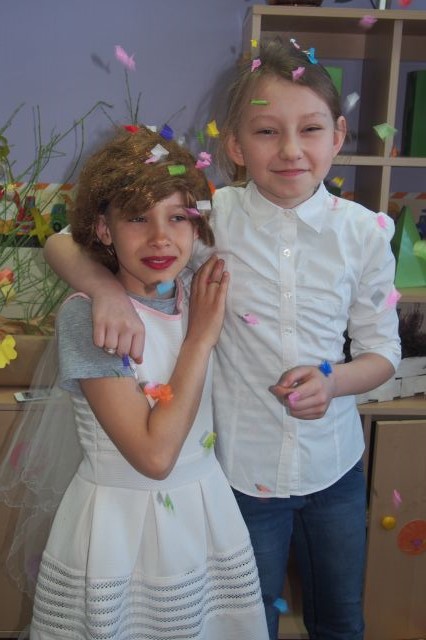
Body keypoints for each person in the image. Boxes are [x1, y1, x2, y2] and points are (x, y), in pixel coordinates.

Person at [43, 40, 401, 640]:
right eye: (266, 132)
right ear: (234, 146)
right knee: (247, 618)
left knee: (341, 618)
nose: (290, 150)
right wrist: (103, 290)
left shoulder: (366, 234)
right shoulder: (208, 217)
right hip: (240, 474)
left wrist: (336, 380)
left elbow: (384, 352)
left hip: (334, 466)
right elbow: (63, 242)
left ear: (338, 135)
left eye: (310, 129)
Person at [17, 126, 269, 640]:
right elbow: (154, 458)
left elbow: (61, 245)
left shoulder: (191, 286)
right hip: (120, 530)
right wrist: (199, 339)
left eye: (178, 217)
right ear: (104, 229)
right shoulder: (90, 319)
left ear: (197, 226)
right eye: (137, 217)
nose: (160, 237)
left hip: (206, 514)